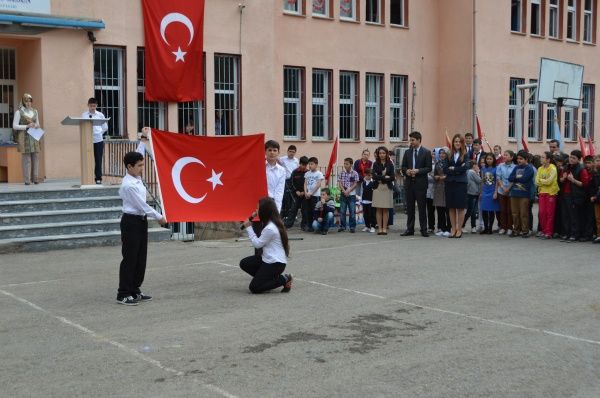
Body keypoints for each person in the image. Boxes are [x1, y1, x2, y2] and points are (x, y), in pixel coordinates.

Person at [117, 151, 167, 305]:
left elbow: (143, 208)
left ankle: (134, 290)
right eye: (139, 165)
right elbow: (142, 205)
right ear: (129, 167)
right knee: (130, 258)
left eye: (142, 164)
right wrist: (159, 217)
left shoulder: (136, 179)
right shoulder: (128, 185)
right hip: (131, 222)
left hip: (140, 221)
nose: (142, 168)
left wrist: (144, 138)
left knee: (140, 258)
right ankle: (123, 293)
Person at [240, 197, 293, 294]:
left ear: (264, 211)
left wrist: (249, 228)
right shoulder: (270, 222)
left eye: (258, 209)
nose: (256, 211)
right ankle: (267, 281)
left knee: (254, 288)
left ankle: (284, 279)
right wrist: (252, 217)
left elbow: (257, 244)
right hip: (267, 259)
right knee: (244, 263)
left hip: (275, 263)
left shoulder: (270, 228)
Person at [400, 131, 433, 237]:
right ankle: (410, 229)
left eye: (413, 140)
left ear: (419, 140)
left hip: (421, 184)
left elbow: (429, 168)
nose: (411, 142)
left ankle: (424, 229)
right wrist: (407, 171)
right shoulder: (407, 152)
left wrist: (418, 171)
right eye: (410, 140)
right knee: (410, 208)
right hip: (409, 184)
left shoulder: (426, 152)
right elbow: (403, 166)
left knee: (422, 208)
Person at [559, 150, 591, 242]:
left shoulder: (581, 169)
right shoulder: (566, 167)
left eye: (574, 158)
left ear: (579, 159)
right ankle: (567, 233)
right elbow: (561, 180)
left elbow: (584, 184)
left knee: (574, 216)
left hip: (575, 195)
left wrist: (573, 180)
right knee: (565, 215)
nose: (571, 159)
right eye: (570, 157)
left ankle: (574, 234)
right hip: (565, 194)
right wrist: (563, 178)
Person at [444, 134, 470, 238]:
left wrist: (453, 169)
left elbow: (466, 167)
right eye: (455, 141)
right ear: (453, 143)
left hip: (460, 183)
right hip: (450, 183)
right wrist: (458, 168)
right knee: (451, 207)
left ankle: (459, 229)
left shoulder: (466, 154)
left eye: (459, 141)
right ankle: (453, 229)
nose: (457, 143)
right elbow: (445, 169)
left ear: (462, 143)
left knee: (460, 207)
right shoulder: (449, 154)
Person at [12, 93, 41, 185]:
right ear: (23, 101)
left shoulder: (35, 111)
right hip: (24, 137)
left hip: (34, 136)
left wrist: (35, 125)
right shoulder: (19, 112)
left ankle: (35, 178)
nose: (28, 103)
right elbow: (14, 126)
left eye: (30, 101)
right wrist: (26, 126)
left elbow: (38, 124)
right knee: (26, 159)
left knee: (36, 157)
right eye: (26, 101)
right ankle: (27, 180)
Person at [507, 150, 535, 238]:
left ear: (526, 159)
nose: (519, 160)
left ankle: (525, 230)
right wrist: (517, 177)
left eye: (521, 159)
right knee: (515, 213)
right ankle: (516, 230)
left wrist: (516, 178)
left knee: (524, 213)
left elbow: (524, 179)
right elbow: (510, 178)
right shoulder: (516, 168)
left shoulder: (529, 168)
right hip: (514, 193)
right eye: (518, 159)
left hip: (524, 194)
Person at [81, 97, 108, 184]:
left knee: (98, 159)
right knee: (87, 159)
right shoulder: (84, 115)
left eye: (94, 106)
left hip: (98, 140)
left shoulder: (100, 115)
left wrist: (99, 133)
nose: (93, 107)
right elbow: (82, 126)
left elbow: (105, 127)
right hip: (87, 140)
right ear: (88, 105)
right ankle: (87, 177)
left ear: (96, 106)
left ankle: (98, 178)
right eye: (91, 106)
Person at [535, 151, 559, 239]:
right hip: (542, 192)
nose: (541, 159)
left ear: (548, 159)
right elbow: (536, 181)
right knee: (542, 213)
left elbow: (549, 181)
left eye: (543, 157)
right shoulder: (540, 168)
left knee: (550, 213)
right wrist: (542, 182)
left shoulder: (553, 168)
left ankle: (549, 232)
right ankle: (544, 230)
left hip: (551, 193)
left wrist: (541, 181)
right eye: (541, 157)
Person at [372, 146, 395, 235]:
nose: (382, 155)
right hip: (377, 188)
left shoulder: (390, 164)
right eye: (380, 153)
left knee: (385, 209)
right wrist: (384, 176)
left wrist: (381, 177)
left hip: (386, 188)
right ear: (378, 154)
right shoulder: (375, 164)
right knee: (378, 209)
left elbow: (392, 177)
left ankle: (384, 228)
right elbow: (374, 176)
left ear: (386, 154)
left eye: (383, 153)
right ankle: (380, 228)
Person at [285, 156, 308, 229]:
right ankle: (288, 225)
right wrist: (296, 191)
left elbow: (309, 184)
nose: (304, 167)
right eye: (302, 164)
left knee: (305, 210)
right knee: (293, 209)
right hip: (296, 194)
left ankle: (304, 225)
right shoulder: (294, 172)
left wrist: (304, 192)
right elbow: (291, 183)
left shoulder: (308, 172)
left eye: (305, 165)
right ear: (299, 164)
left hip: (305, 194)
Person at [496, 150, 516, 235]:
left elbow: (514, 179)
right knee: (502, 210)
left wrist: (508, 188)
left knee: (510, 210)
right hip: (501, 190)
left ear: (511, 157)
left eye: (506, 155)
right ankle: (503, 227)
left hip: (511, 191)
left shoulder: (515, 167)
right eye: (504, 155)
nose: (504, 156)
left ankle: (510, 227)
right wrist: (503, 187)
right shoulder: (500, 166)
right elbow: (498, 177)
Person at [480, 153, 500, 234]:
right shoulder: (483, 169)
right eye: (487, 159)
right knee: (484, 210)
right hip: (485, 191)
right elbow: (482, 181)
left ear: (493, 160)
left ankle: (490, 228)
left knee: (491, 211)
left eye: (490, 159)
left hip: (492, 191)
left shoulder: (496, 168)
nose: (489, 160)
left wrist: (495, 192)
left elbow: (497, 182)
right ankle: (485, 228)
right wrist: (481, 192)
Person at [338, 157, 359, 233]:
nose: (345, 165)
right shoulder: (342, 173)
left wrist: (349, 190)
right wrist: (344, 191)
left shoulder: (355, 173)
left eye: (347, 164)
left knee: (352, 211)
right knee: (342, 211)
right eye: (344, 163)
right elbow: (340, 183)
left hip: (352, 195)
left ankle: (352, 227)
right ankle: (343, 226)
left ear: (351, 164)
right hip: (343, 194)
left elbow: (355, 183)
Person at [433, 147, 451, 237]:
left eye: (444, 153)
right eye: (440, 153)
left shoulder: (450, 163)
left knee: (447, 210)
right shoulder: (438, 163)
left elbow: (451, 174)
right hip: (439, 188)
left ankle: (449, 228)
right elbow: (435, 174)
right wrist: (435, 176)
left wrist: (446, 177)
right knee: (440, 210)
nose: (442, 155)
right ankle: (441, 228)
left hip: (447, 188)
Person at [265, 140, 286, 213]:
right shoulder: (259, 167)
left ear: (278, 152)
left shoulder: (282, 170)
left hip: (272, 203)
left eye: (275, 150)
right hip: (259, 203)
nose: (272, 152)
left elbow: (279, 191)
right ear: (265, 151)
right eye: (269, 150)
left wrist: (277, 210)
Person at [304, 157, 324, 232]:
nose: (310, 165)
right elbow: (305, 183)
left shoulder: (319, 174)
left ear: (316, 165)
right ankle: (309, 226)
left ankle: (316, 226)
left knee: (315, 211)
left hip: (315, 196)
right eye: (309, 164)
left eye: (311, 164)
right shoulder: (307, 173)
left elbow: (318, 184)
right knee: (308, 211)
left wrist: (311, 193)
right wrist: (306, 192)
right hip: (308, 195)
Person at [279, 145, 299, 218]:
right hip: (285, 181)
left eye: (293, 152)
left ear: (295, 153)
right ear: (287, 151)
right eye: (290, 151)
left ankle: (292, 214)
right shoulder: (282, 159)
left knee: (292, 197)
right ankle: (284, 214)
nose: (291, 153)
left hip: (293, 180)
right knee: (285, 197)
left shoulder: (296, 161)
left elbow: (297, 170)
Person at [463, 161, 482, 233]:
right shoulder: (472, 172)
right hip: (471, 193)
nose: (477, 166)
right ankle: (462, 225)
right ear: (473, 165)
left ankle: (473, 227)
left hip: (475, 193)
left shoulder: (470, 172)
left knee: (473, 212)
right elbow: (479, 180)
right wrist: (478, 172)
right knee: (470, 211)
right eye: (476, 164)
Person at [361, 169, 376, 233]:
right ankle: (367, 226)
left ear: (371, 175)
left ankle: (373, 226)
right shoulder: (363, 182)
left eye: (369, 175)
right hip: (364, 201)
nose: (368, 176)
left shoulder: (373, 183)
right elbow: (361, 191)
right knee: (365, 214)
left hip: (371, 201)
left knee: (371, 214)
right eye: (366, 175)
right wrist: (361, 199)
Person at [589, 155, 600, 243]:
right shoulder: (594, 173)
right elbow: (592, 186)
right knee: (597, 218)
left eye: (599, 160)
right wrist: (592, 196)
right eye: (596, 161)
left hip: (598, 196)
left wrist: (596, 196)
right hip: (596, 199)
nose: (597, 162)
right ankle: (598, 235)